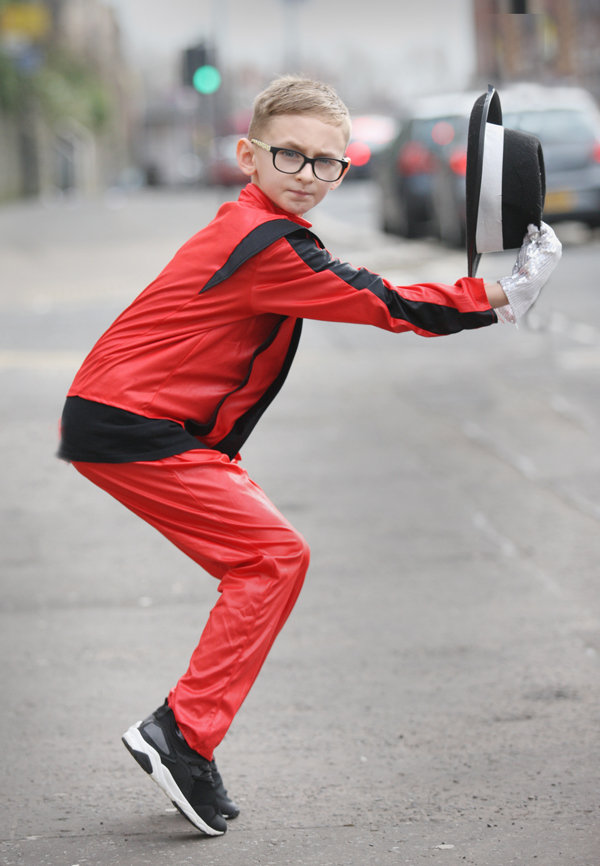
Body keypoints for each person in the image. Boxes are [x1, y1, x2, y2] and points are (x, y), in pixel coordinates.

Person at [57, 76, 561, 837]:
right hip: (133, 423)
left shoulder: (256, 226)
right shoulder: (262, 242)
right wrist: (501, 293)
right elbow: (382, 302)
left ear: (344, 171)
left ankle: (186, 734)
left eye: (327, 163)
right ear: (248, 154)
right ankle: (182, 734)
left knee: (267, 559)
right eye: (289, 154)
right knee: (271, 559)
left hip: (145, 423)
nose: (307, 174)